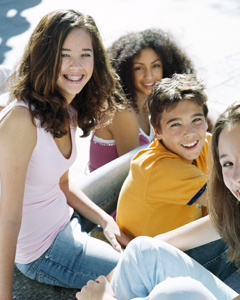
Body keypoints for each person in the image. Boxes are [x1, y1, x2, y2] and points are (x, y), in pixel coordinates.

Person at [76, 95, 240, 300]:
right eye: (227, 163)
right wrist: (106, 282)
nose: (237, 177)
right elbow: (160, 245)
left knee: (179, 293)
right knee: (144, 249)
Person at [0, 9, 130, 299]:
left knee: (130, 168)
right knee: (134, 271)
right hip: (42, 251)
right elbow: (6, 218)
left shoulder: (66, 106)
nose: (76, 65)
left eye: (85, 54)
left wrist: (104, 220)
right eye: (64, 54)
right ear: (44, 56)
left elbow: (61, 183)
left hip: (64, 219)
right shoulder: (21, 121)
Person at [88, 28, 197, 172]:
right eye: (139, 68)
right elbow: (138, 172)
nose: (149, 75)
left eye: (155, 66)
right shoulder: (122, 112)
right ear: (124, 71)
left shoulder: (152, 104)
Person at [116, 73, 210, 240]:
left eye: (196, 120)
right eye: (176, 124)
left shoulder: (204, 143)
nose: (190, 133)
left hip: (179, 244)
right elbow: (229, 202)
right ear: (157, 131)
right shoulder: (160, 167)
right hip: (152, 259)